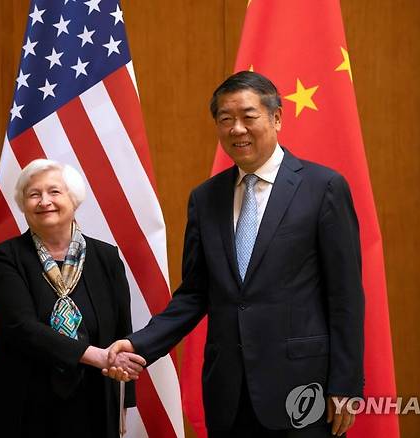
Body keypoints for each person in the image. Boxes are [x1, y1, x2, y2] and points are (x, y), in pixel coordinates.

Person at [106, 71, 365, 437]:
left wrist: (346, 384)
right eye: (225, 120)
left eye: (248, 116)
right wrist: (139, 344)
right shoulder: (205, 198)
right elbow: (195, 294)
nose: (237, 129)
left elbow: (346, 296)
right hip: (228, 392)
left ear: (276, 118)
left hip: (303, 389)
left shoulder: (322, 188)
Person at [0, 159, 146, 438]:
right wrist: (93, 356)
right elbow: (19, 327)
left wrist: (124, 399)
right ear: (24, 204)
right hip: (21, 401)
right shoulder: (6, 256)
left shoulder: (106, 257)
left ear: (74, 200)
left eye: (54, 192)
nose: (43, 201)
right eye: (33, 194)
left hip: (94, 401)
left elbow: (122, 329)